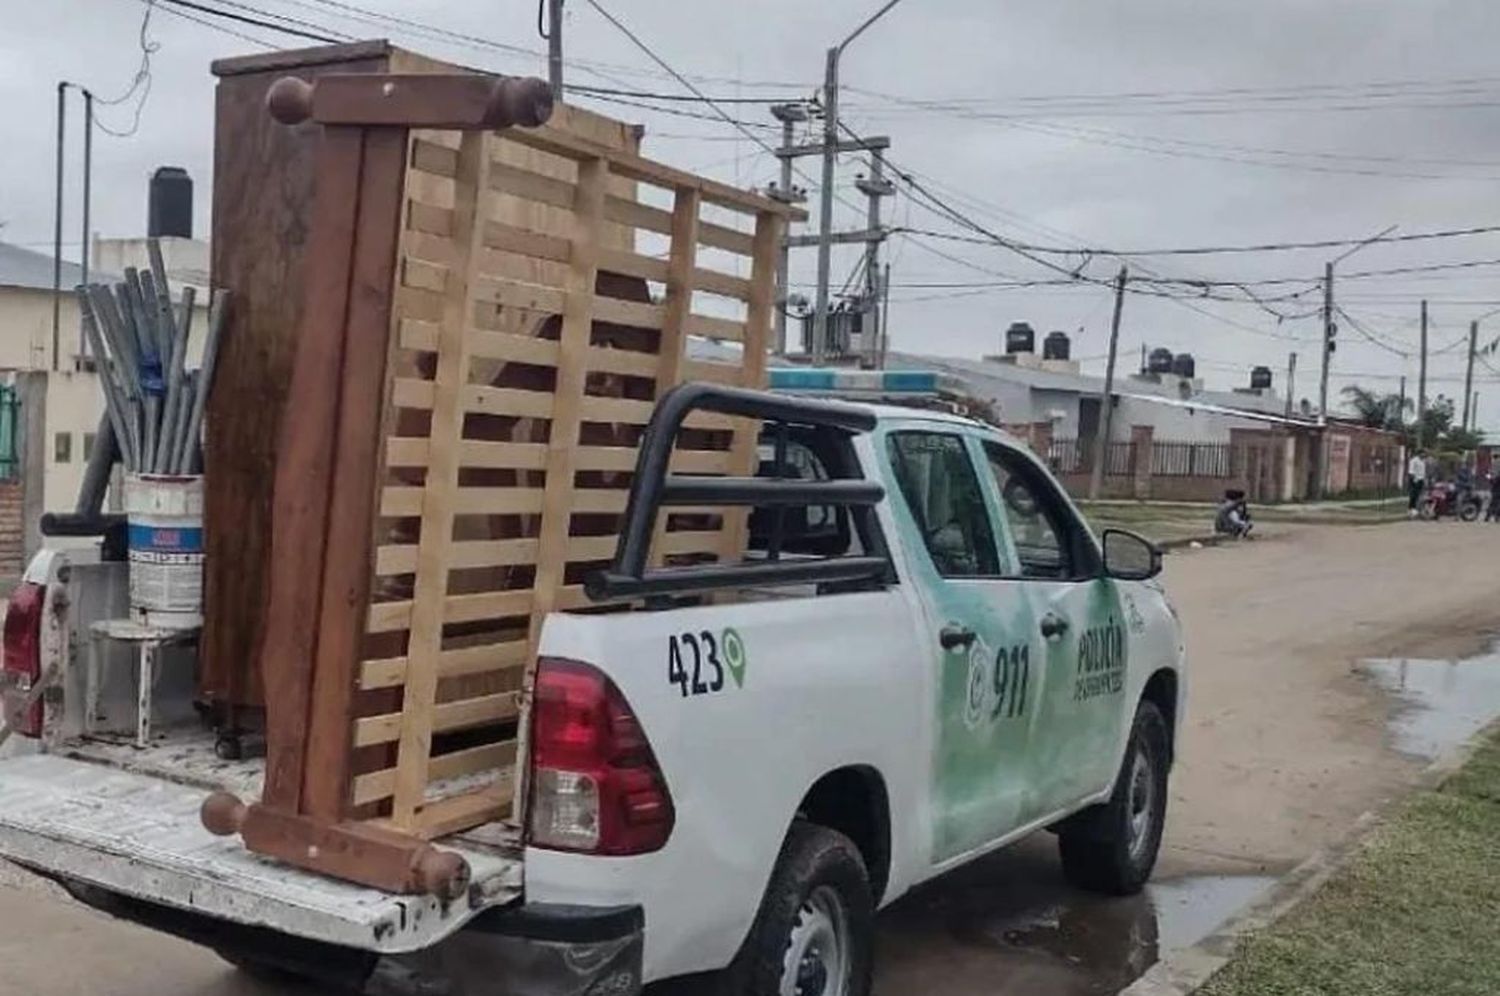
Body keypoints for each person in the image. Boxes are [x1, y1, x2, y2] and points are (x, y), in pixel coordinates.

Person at [1407, 449, 1428, 517]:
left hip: (1421, 479)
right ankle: (1411, 510)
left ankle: (1417, 509)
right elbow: (1411, 471)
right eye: (1423, 453)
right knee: (1413, 495)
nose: (1424, 455)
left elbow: (1423, 472)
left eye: (1425, 454)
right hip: (1415, 480)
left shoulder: (1423, 461)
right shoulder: (1414, 461)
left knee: (1420, 495)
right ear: (1419, 453)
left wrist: (1424, 480)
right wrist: (1413, 481)